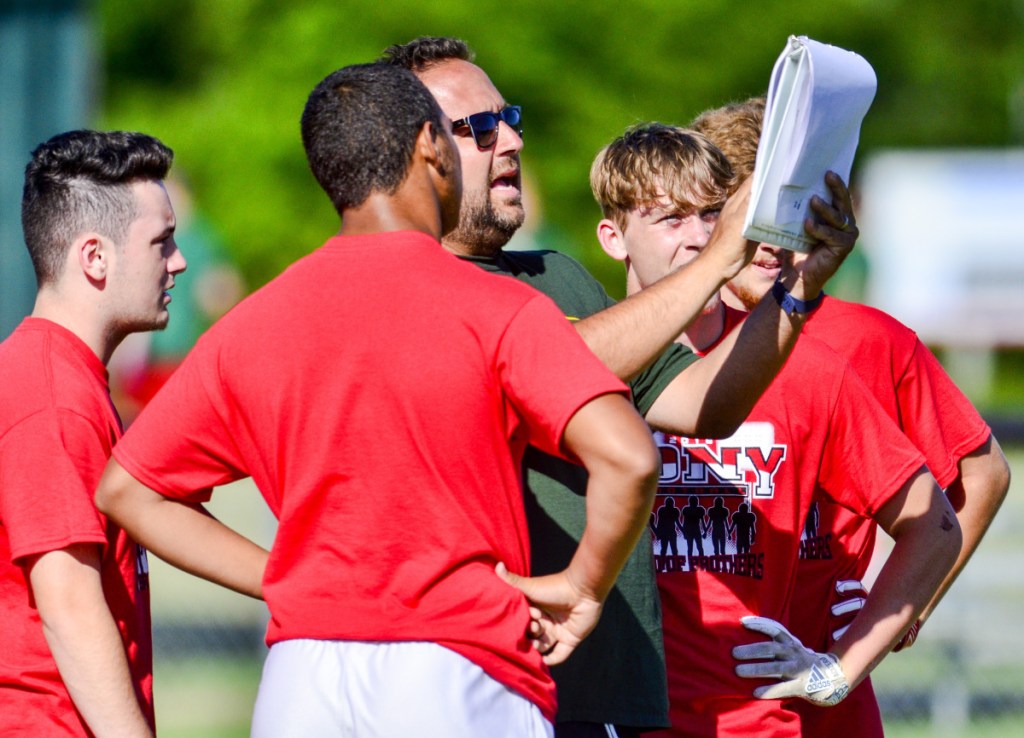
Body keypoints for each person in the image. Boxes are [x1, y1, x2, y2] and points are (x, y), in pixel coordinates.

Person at [94, 62, 660, 738]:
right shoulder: (499, 305)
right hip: (459, 666)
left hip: (300, 680)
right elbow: (628, 459)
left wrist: (286, 577)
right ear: (429, 145)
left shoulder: (253, 322)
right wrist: (583, 588)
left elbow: (128, 490)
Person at [380, 36, 858, 738]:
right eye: (480, 128)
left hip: (606, 692)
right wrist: (724, 248)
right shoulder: (402, 286)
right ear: (415, 152)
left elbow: (706, 405)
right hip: (483, 682)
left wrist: (799, 287)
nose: (510, 138)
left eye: (508, 116)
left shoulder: (561, 276)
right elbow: (540, 367)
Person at [590, 122, 963, 736]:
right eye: (671, 219)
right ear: (613, 237)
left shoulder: (801, 363)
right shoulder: (578, 355)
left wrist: (841, 669)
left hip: (754, 722)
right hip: (609, 717)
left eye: (713, 215)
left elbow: (936, 526)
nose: (699, 238)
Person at [692, 96, 1011, 736]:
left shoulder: (864, 338)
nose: (772, 241)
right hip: (681, 691)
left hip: (816, 696)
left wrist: (898, 611)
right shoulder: (670, 334)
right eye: (753, 217)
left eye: (793, 217)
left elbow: (982, 474)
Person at [0, 130, 186, 736]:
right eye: (162, 242)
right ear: (94, 257)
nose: (178, 261)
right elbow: (71, 604)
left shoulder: (65, 378)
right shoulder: (51, 394)